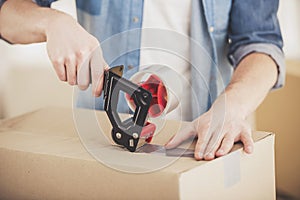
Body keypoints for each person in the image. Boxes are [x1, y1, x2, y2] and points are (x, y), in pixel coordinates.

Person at [0, 0, 285, 161]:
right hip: (102, 150)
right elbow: (6, 16)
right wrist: (51, 21)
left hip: (204, 145)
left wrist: (232, 106)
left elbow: (262, 43)